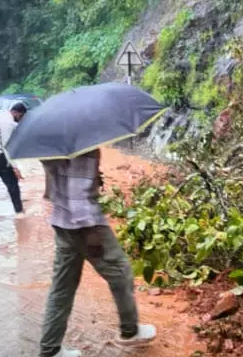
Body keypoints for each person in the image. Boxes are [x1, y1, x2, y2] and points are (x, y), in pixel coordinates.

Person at [38, 149, 156, 357]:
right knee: (121, 273)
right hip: (85, 225)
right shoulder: (84, 145)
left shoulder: (53, 143)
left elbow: (54, 185)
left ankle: (50, 348)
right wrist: (91, 230)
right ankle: (130, 330)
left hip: (61, 221)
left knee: (62, 287)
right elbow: (77, 195)